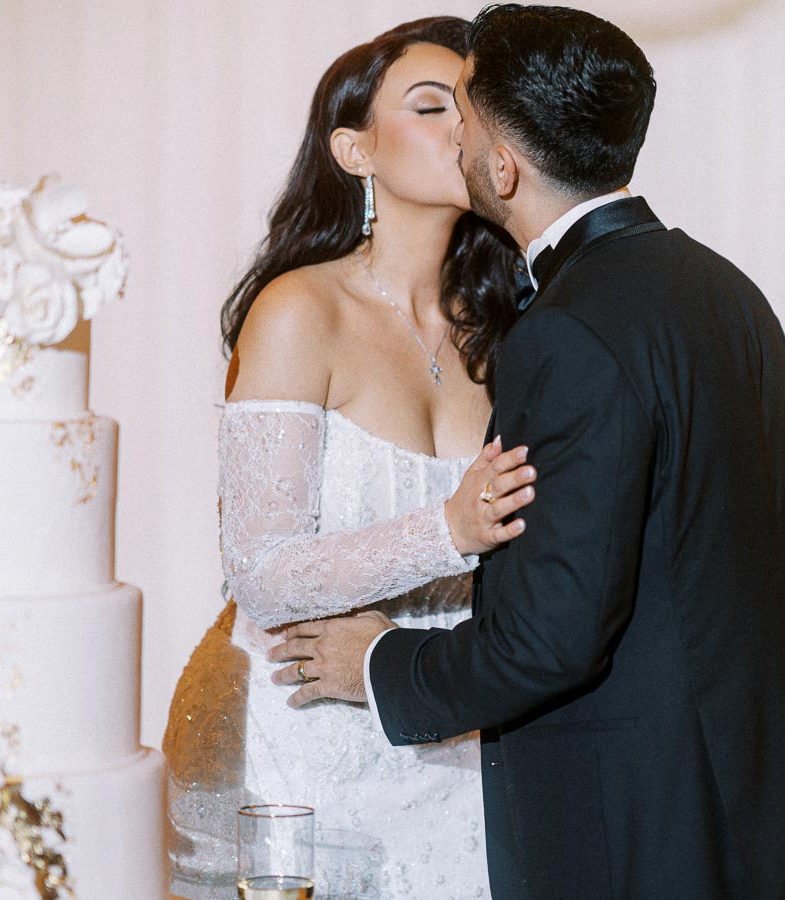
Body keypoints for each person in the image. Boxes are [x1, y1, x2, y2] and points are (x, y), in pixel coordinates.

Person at [270, 5, 785, 897]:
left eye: (462, 118)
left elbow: (551, 638)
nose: (454, 142)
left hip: (644, 827)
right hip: (762, 808)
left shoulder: (565, 332)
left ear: (504, 168)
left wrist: (380, 662)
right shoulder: (725, 288)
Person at [163, 16, 538, 899]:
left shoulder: (509, 327)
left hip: (454, 740)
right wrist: (449, 530)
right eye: (430, 105)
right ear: (354, 150)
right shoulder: (301, 311)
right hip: (300, 741)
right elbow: (260, 574)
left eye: (473, 107)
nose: (461, 127)